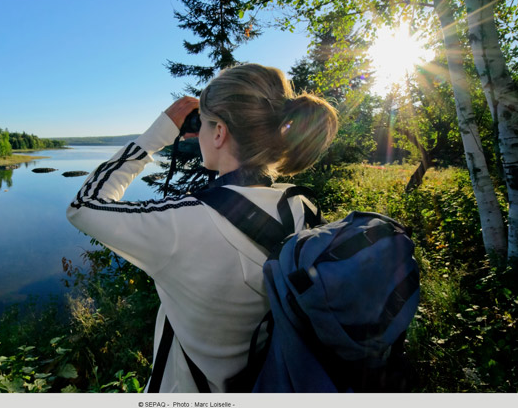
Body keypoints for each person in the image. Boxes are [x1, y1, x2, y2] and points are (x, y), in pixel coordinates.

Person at [66, 63, 338, 392]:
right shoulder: (302, 208)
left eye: (207, 125)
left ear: (220, 133)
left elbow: (84, 206)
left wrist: (156, 135)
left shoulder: (184, 223)